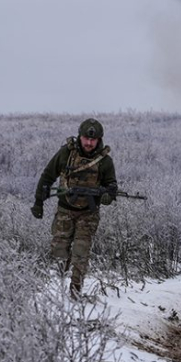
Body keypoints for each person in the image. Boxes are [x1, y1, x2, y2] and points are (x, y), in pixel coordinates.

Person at [31, 118, 117, 299]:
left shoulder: (105, 161)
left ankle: (74, 293)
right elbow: (47, 177)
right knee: (59, 251)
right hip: (64, 210)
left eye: (93, 140)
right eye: (86, 138)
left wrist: (108, 196)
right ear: (80, 136)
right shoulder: (65, 153)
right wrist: (38, 202)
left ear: (99, 140)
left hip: (89, 213)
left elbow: (111, 186)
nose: (89, 143)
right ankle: (56, 293)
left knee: (81, 251)